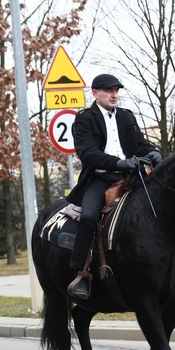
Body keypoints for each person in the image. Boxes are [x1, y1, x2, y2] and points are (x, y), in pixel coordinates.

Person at [65, 73, 161, 300]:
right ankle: (81, 272)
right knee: (88, 217)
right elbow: (88, 153)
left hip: (131, 177)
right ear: (95, 93)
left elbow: (141, 144)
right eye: (109, 91)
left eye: (116, 90)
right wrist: (117, 162)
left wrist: (153, 152)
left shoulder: (127, 117)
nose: (114, 95)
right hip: (100, 180)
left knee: (160, 207)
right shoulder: (85, 119)